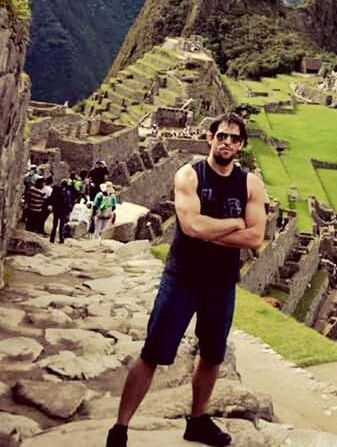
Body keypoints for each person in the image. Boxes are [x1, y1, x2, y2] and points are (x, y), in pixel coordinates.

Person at [105, 113, 267, 447]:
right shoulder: (189, 175)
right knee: (152, 353)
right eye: (222, 135)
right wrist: (235, 223)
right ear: (210, 137)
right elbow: (191, 227)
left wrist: (212, 231)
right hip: (182, 278)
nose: (227, 143)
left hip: (220, 283)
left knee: (211, 355)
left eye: (235, 139)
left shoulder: (250, 183)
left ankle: (197, 421)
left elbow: (255, 238)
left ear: (241, 145)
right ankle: (120, 428)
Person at [49, 178, 73, 243]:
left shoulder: (57, 190)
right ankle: (59, 239)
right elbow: (68, 202)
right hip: (60, 210)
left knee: (56, 225)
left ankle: (53, 239)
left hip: (59, 210)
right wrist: (68, 211)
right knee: (59, 225)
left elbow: (52, 199)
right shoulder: (66, 192)